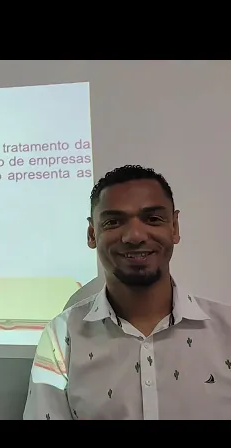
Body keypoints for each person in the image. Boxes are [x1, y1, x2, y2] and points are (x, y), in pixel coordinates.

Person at [23, 165, 231, 420]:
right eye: (113, 222)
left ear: (175, 227)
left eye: (152, 219)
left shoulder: (226, 331)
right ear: (92, 234)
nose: (134, 236)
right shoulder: (62, 337)